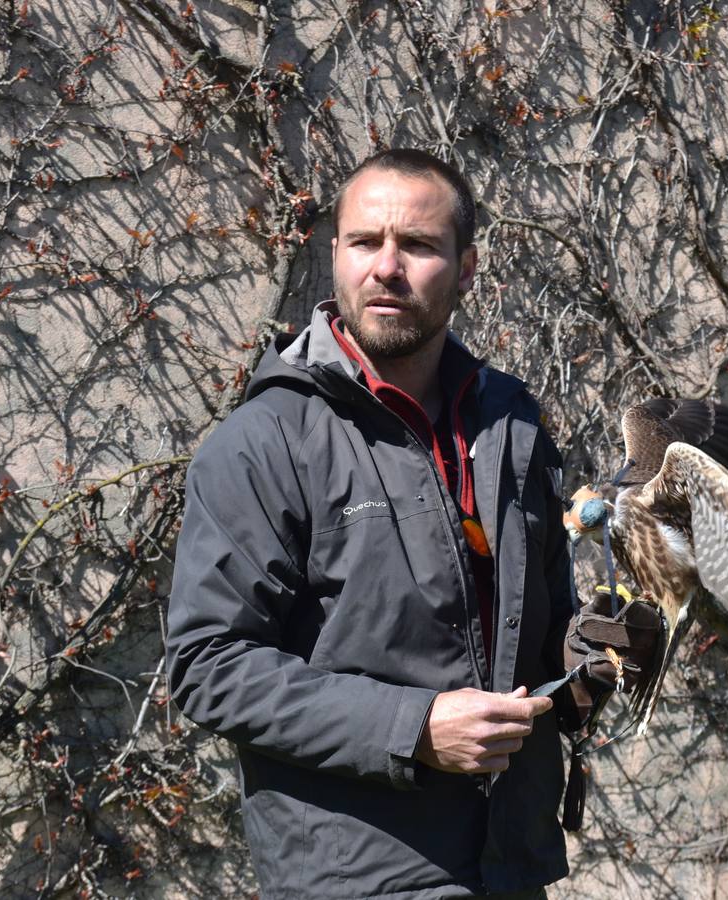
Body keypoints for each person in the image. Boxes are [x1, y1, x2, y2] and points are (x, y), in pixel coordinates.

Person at [166, 148, 653, 899]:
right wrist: (414, 727)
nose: (386, 267)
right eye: (364, 242)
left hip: (508, 867)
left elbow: (529, 628)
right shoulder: (267, 442)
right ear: (334, 255)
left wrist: (584, 666)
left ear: (466, 267)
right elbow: (207, 665)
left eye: (418, 246)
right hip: (355, 876)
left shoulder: (510, 423)